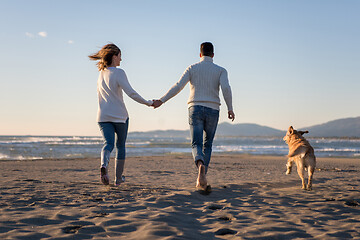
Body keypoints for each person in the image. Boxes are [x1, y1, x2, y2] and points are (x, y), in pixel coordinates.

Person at [153, 42, 235, 190]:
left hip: (195, 108)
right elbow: (226, 88)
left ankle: (200, 166)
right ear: (213, 55)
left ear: (200, 54)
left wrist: (162, 100)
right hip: (213, 109)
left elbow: (178, 86)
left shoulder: (192, 68)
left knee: (196, 144)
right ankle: (202, 176)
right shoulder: (221, 70)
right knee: (207, 144)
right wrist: (230, 108)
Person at [89, 43, 154, 186]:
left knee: (108, 144)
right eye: (120, 56)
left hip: (103, 116)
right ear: (114, 56)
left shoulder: (101, 74)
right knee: (120, 146)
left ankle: (104, 165)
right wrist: (148, 102)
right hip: (120, 116)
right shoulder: (119, 73)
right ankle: (118, 179)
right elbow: (131, 92)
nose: (121, 60)